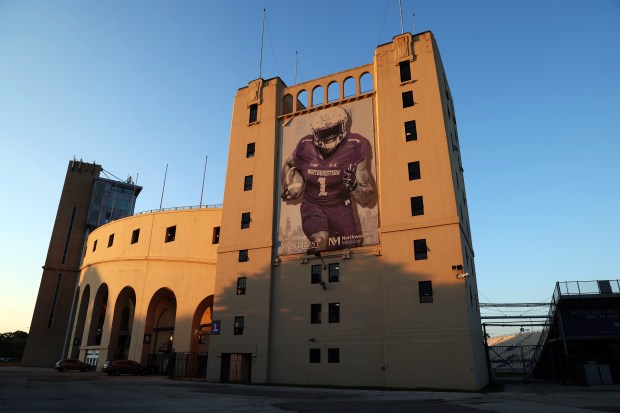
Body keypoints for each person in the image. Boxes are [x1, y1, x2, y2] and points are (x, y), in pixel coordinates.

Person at [281, 106, 376, 253]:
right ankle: (310, 271)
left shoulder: (355, 146)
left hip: (341, 206)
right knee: (320, 240)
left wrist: (354, 186)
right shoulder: (305, 146)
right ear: (314, 133)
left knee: (353, 246)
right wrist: (289, 184)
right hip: (313, 203)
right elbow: (289, 164)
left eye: (332, 131)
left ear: (343, 126)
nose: (329, 137)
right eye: (323, 132)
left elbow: (366, 198)